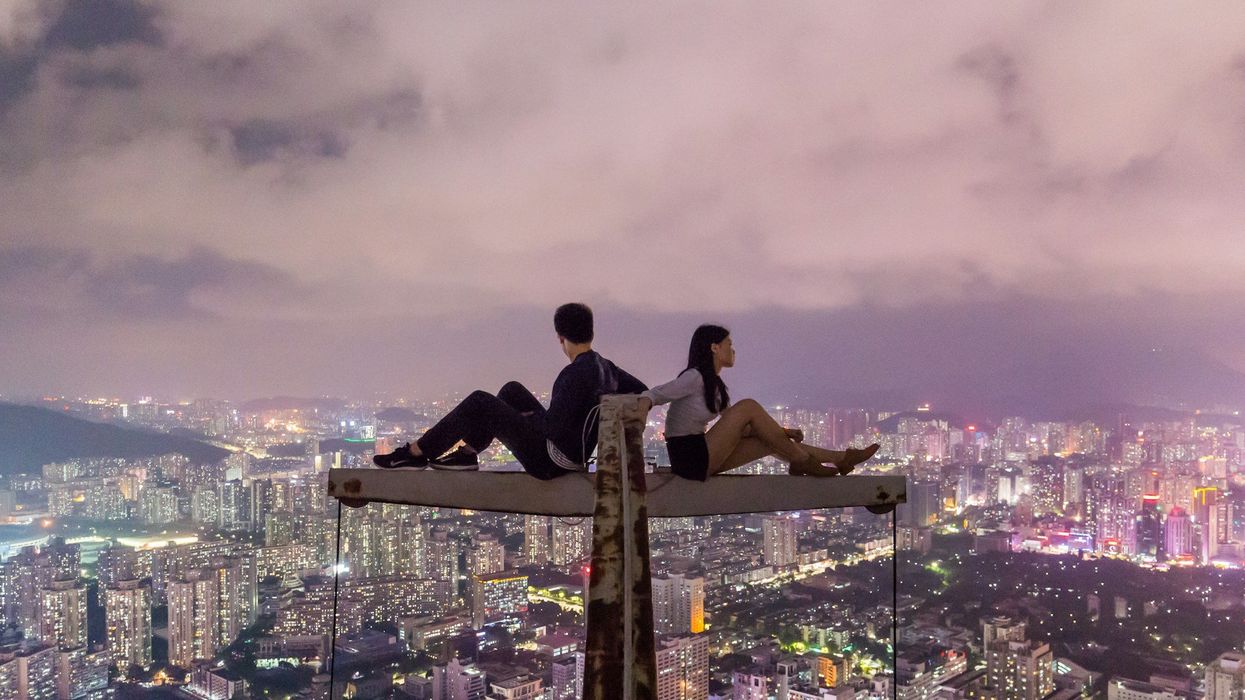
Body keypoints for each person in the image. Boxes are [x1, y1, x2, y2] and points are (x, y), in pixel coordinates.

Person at [372, 303, 647, 479]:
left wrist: (526, 418)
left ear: (560, 338)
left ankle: (417, 453)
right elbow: (643, 392)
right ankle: (468, 453)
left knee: (481, 401)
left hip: (552, 462)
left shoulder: (572, 374)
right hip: (577, 454)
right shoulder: (606, 367)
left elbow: (554, 429)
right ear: (591, 334)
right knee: (511, 390)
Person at [632, 324, 879, 481]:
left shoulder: (714, 386)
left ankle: (841, 458)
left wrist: (783, 432)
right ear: (714, 348)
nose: (734, 350)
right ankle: (803, 462)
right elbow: (655, 394)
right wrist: (643, 411)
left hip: (702, 457)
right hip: (690, 456)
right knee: (748, 405)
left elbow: (744, 428)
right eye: (730, 345)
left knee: (770, 441)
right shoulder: (694, 377)